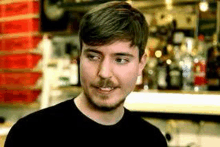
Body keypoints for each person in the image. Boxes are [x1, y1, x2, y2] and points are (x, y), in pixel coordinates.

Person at [5, 1, 167, 147]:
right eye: (93, 57)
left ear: (141, 64)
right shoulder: (30, 134)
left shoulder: (151, 140)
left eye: (120, 60)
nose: (104, 73)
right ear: (79, 57)